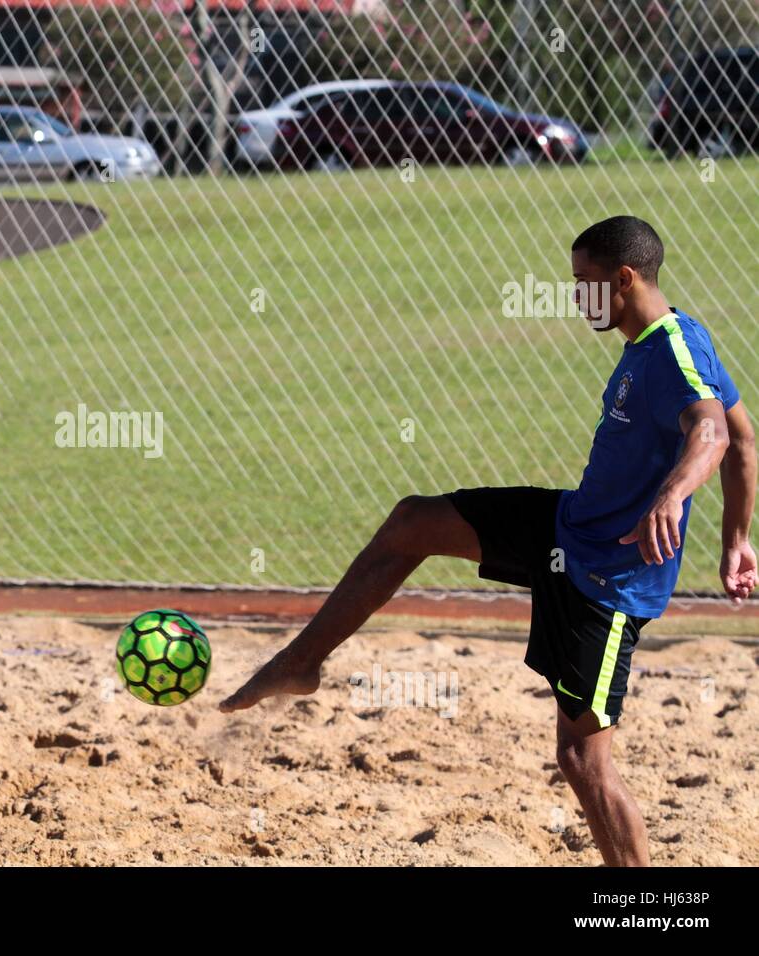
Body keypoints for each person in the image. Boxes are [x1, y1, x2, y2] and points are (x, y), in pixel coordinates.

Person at [219, 216, 755, 866]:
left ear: (624, 279)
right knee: (411, 522)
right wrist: (736, 539)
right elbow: (745, 439)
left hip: (609, 578)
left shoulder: (673, 351)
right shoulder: (669, 336)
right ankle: (301, 662)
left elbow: (714, 436)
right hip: (569, 527)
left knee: (583, 760)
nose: (574, 297)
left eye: (583, 284)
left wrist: (673, 497)